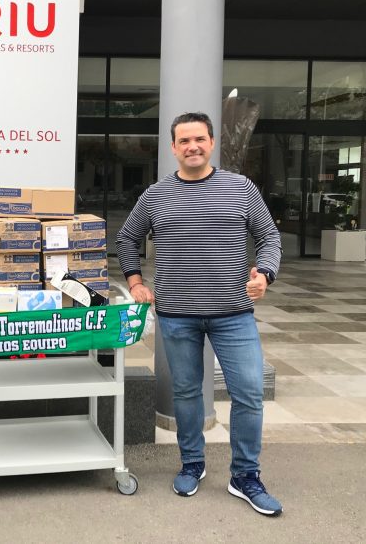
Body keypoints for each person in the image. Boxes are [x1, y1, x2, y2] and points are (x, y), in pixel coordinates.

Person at [116, 111, 283, 516]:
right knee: (187, 393)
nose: (192, 146)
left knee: (248, 392)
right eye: (184, 140)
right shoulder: (155, 195)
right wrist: (136, 282)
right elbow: (126, 238)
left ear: (211, 144)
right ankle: (192, 464)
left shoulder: (240, 188)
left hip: (234, 314)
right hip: (176, 315)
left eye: (200, 139)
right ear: (173, 147)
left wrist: (266, 273)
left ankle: (245, 475)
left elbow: (269, 238)